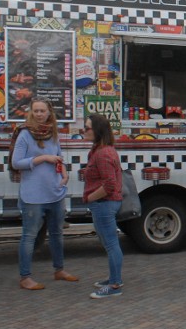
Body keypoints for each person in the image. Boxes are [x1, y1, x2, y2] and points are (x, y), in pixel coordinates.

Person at [11, 98, 76, 291]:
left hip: (55, 192)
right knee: (29, 236)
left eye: (42, 111)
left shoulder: (53, 134)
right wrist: (42, 158)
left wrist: (64, 173)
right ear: (31, 112)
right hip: (33, 195)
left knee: (57, 233)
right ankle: (25, 277)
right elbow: (16, 163)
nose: (39, 114)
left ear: (49, 113)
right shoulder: (24, 134)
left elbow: (58, 157)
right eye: (36, 111)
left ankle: (59, 270)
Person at [83, 114, 125, 298]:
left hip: (104, 204)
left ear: (98, 130)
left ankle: (115, 285)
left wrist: (91, 197)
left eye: (87, 128)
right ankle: (114, 279)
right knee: (110, 243)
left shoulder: (103, 153)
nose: (84, 131)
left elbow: (109, 184)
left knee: (110, 244)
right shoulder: (101, 150)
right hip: (104, 203)